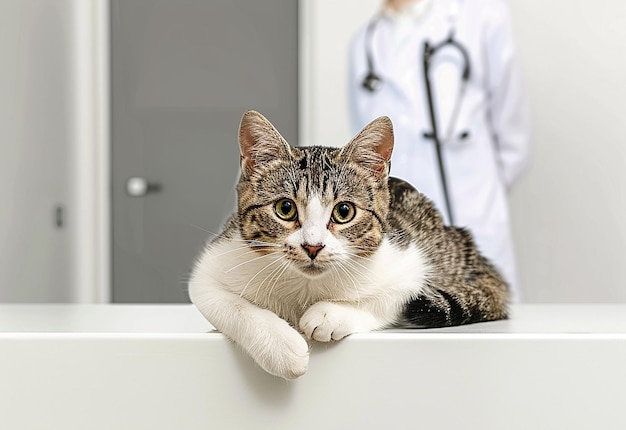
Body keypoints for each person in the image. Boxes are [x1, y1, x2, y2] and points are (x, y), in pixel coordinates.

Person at [348, 0, 531, 302]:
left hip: (474, 221)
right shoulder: (363, 44)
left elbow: (515, 142)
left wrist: (481, 197)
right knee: (409, 327)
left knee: (488, 333)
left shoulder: (482, 15)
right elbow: (367, 158)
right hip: (401, 237)